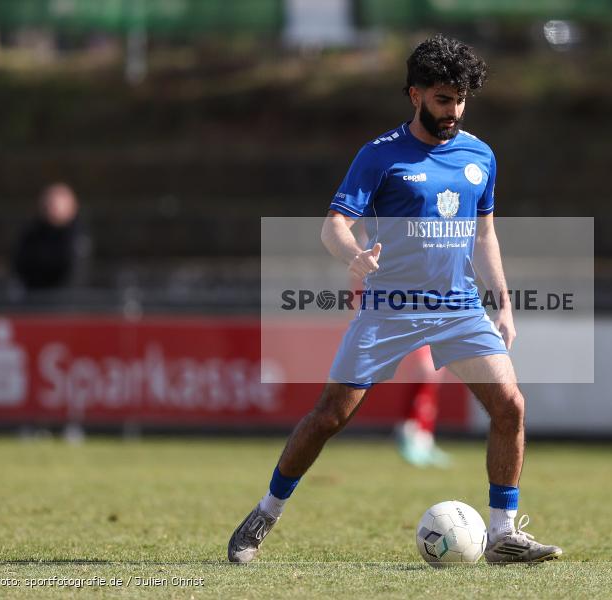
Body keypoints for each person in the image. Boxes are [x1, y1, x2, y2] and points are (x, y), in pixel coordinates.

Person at [228, 34, 562, 564]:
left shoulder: (480, 156)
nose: (452, 111)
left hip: (458, 308)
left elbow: (484, 235)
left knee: (510, 406)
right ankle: (265, 512)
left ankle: (502, 534)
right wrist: (353, 256)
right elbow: (334, 225)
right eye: (442, 99)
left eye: (460, 100)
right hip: (391, 308)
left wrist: (503, 302)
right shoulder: (380, 156)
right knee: (329, 417)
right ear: (415, 95)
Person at [13, 183, 90, 290]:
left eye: (56, 204)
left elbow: (73, 272)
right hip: (33, 296)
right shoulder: (32, 232)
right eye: (49, 203)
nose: (51, 208)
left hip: (65, 299)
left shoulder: (77, 236)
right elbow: (20, 264)